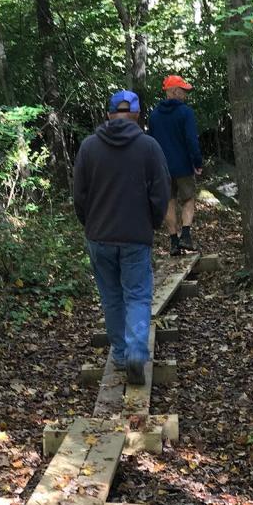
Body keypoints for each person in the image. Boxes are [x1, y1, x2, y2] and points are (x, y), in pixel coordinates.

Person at [73, 90, 171, 386]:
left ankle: (120, 355)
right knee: (138, 295)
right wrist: (152, 223)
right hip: (135, 236)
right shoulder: (149, 147)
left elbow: (79, 195)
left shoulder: (89, 147)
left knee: (112, 296)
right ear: (138, 115)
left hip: (99, 236)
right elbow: (161, 192)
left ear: (108, 114)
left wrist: (89, 223)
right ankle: (136, 355)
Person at [147, 74, 203, 255]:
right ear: (174, 91)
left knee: (169, 201)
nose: (185, 94)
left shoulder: (154, 115)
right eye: (183, 91)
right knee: (188, 199)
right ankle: (185, 236)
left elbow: (152, 142)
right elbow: (191, 140)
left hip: (162, 168)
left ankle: (173, 242)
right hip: (184, 166)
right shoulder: (186, 112)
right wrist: (197, 162)